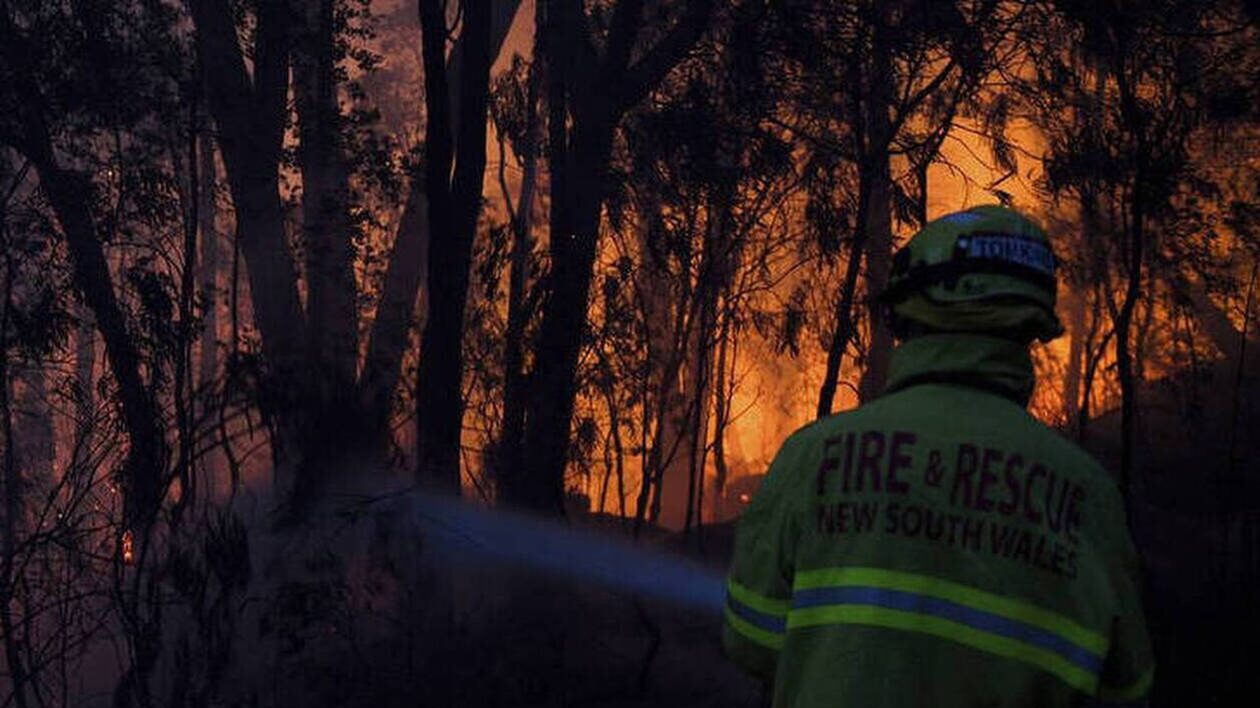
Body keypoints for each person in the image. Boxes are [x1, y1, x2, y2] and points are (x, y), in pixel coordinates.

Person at [723, 205, 1154, 707]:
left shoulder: (814, 456)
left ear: (909, 313)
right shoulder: (1087, 494)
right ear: (1032, 324)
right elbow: (1128, 687)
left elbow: (751, 640)